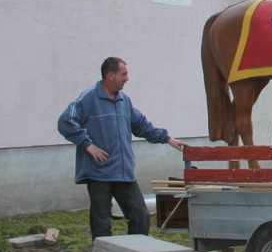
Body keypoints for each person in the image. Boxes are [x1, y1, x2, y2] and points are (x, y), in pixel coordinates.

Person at [58, 57, 185, 240]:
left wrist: (168, 139)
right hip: (99, 173)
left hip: (123, 172)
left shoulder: (124, 101)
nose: (127, 78)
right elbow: (66, 122)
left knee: (140, 216)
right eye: (123, 74)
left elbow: (142, 126)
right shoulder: (89, 98)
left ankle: (132, 251)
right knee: (101, 223)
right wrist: (88, 145)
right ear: (111, 76)